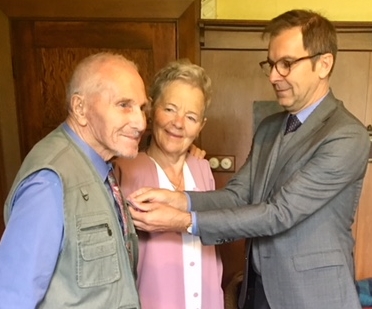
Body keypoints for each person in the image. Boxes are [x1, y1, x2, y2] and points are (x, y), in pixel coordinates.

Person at [125, 9, 371, 309]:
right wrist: (179, 199)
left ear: (324, 64)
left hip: (314, 296)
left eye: (286, 64)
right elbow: (237, 195)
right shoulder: (270, 128)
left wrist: (184, 220)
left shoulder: (346, 135)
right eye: (270, 64)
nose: (273, 76)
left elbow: (279, 214)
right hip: (257, 293)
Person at [0, 52, 148, 308]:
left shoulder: (101, 166)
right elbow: (12, 296)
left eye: (142, 107)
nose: (140, 122)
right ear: (80, 108)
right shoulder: (50, 181)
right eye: (124, 105)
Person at [114, 59, 224, 309]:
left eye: (191, 116)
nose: (179, 123)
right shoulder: (123, 169)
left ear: (201, 126)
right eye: (170, 109)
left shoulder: (202, 169)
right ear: (151, 110)